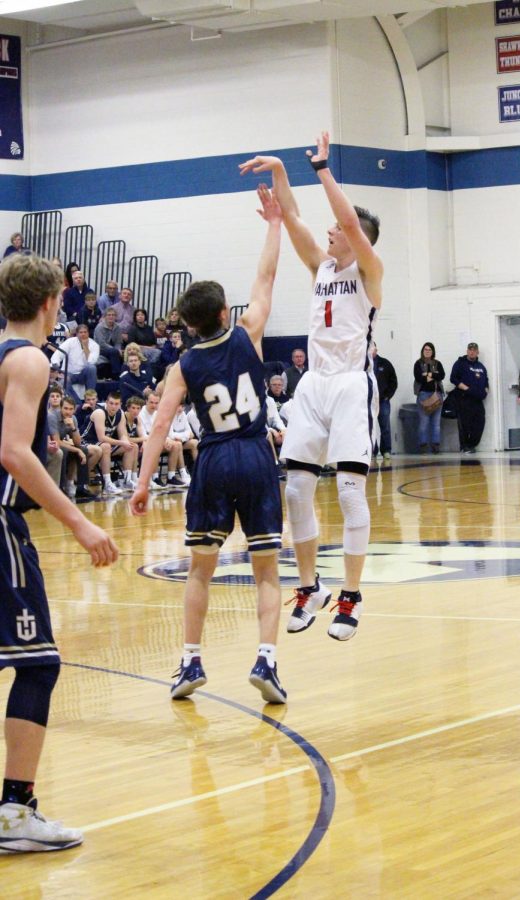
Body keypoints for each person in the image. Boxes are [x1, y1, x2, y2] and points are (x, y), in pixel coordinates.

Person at [130, 184, 287, 703]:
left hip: (215, 457)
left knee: (202, 567)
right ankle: (266, 660)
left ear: (190, 326)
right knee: (266, 568)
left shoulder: (183, 365)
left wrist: (144, 483)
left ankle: (190, 660)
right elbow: (265, 276)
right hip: (256, 453)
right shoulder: (249, 331)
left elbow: (158, 429)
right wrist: (273, 223)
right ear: (224, 312)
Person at [240, 131, 383, 642]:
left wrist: (324, 169)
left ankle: (351, 596)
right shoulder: (320, 265)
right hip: (313, 385)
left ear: (357, 237)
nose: (330, 232)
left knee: (348, 489)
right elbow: (295, 217)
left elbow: (344, 219)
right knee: (297, 488)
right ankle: (310, 587)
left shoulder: (369, 271)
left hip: (349, 383)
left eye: (339, 230)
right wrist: (280, 168)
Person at [0, 253, 118, 853]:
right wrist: (78, 523)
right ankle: (15, 812)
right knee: (39, 663)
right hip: (1, 525)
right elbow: (16, 454)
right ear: (52, 304)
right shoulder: (28, 359)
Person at [450, 342, 489, 454]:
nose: (472, 352)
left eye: (474, 350)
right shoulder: (460, 363)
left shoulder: (481, 367)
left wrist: (486, 390)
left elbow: (486, 381)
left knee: (480, 422)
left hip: (478, 400)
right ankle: (464, 446)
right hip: (464, 399)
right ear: (467, 351)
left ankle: (472, 445)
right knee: (465, 424)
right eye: (470, 350)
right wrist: (465, 388)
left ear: (477, 352)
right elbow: (453, 379)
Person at [50, 323, 99, 400]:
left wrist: (85, 346)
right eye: (81, 332)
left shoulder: (94, 345)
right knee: (63, 382)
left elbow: (91, 362)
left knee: (92, 368)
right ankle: (77, 403)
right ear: (77, 334)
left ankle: (90, 397)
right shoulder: (70, 342)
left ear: (88, 333)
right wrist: (56, 366)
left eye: (85, 332)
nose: (83, 334)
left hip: (84, 374)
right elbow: (58, 354)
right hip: (69, 373)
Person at [414, 342, 445, 454]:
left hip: (437, 394)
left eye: (429, 350)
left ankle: (436, 446)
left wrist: (428, 374)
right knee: (424, 422)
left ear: (433, 352)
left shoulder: (437, 363)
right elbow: (418, 377)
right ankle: (423, 446)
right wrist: (433, 375)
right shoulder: (418, 363)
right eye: (425, 349)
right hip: (423, 395)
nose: (427, 351)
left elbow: (441, 375)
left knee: (436, 422)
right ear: (422, 351)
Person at [373, 342, 398, 459]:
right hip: (368, 402)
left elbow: (393, 381)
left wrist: (388, 395)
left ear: (376, 349)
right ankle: (372, 450)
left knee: (385, 426)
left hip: (383, 401)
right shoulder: (361, 365)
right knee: (370, 427)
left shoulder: (385, 363)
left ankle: (386, 450)